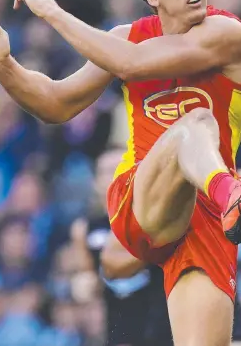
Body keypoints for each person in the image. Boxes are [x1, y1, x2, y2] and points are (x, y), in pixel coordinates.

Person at [0, 0, 241, 346]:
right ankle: (232, 191)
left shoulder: (227, 32)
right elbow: (55, 104)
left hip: (206, 217)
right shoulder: (126, 37)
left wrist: (51, 11)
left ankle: (229, 197)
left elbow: (132, 64)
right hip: (141, 203)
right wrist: (4, 66)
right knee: (196, 123)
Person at [101, 218, 241, 346]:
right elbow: (112, 265)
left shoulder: (237, 185)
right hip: (163, 330)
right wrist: (164, 236)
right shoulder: (148, 198)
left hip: (230, 325)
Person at [70, 147, 172, 346]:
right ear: (95, 182)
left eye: (122, 168)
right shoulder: (84, 229)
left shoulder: (156, 220)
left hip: (161, 321)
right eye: (107, 170)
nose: (116, 175)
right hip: (119, 327)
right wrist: (83, 285)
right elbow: (86, 276)